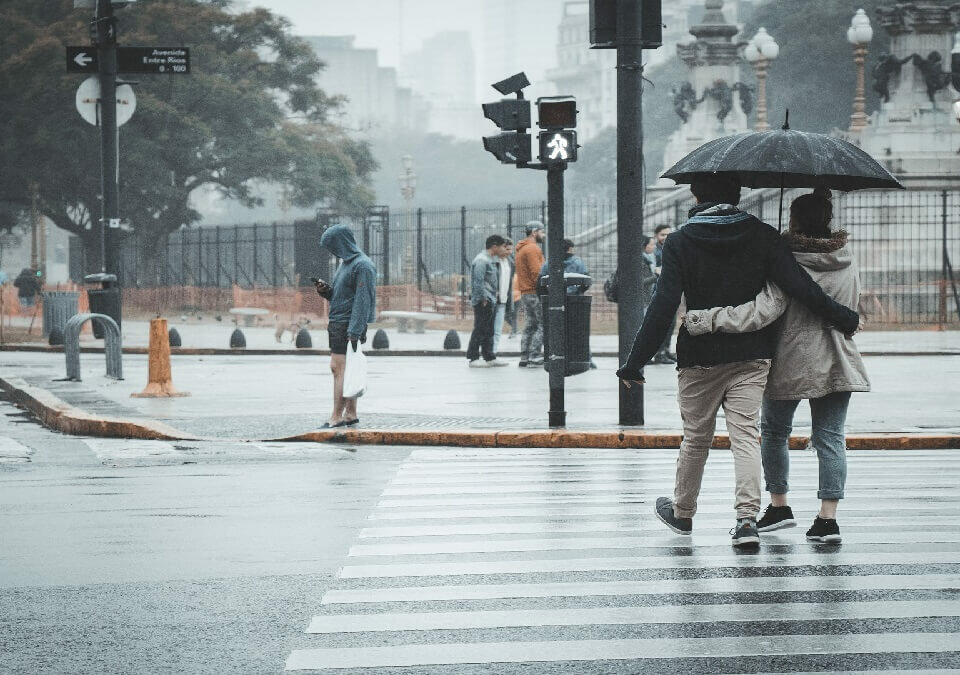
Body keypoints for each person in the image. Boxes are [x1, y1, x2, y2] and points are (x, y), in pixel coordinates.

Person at [616, 174, 860, 549]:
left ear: (695, 195)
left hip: (699, 355)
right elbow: (799, 287)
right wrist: (844, 317)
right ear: (738, 194)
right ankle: (746, 521)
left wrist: (635, 362)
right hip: (752, 354)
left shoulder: (680, 241)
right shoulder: (764, 236)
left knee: (696, 439)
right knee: (745, 437)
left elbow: (663, 304)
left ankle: (683, 514)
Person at [683, 192, 869, 544]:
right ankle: (828, 519)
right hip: (839, 358)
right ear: (828, 219)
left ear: (794, 221)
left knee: (773, 433)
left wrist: (709, 319)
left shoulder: (786, 259)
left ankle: (780, 505)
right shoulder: (846, 257)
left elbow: (766, 310)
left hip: (791, 357)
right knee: (831, 438)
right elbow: (852, 303)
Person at [314, 225, 376, 429]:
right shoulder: (346, 265)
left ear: (342, 243)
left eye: (333, 246)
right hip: (341, 322)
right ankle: (350, 414)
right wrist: (326, 292)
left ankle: (336, 416)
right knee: (346, 370)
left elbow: (362, 300)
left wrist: (354, 331)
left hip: (347, 325)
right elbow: (343, 296)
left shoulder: (362, 265)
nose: (332, 251)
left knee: (338, 369)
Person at [467, 234, 509, 368]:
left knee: (489, 330)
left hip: (490, 299)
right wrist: (483, 298)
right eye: (502, 246)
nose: (503, 249)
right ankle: (473, 357)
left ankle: (489, 356)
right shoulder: (482, 260)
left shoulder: (489, 259)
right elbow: (478, 281)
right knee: (480, 329)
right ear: (494, 246)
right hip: (484, 301)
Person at [515, 221, 546, 368]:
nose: (544, 235)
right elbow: (537, 273)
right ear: (534, 232)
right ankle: (535, 355)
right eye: (542, 232)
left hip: (526, 292)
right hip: (535, 292)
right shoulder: (533, 249)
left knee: (530, 324)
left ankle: (525, 356)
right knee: (544, 324)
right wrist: (544, 288)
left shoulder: (521, 249)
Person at [652, 224, 677, 364]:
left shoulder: (672, 248)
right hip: (659, 291)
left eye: (668, 234)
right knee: (662, 323)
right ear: (656, 235)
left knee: (671, 323)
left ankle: (666, 350)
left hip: (670, 289)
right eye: (663, 235)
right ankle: (660, 353)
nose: (666, 237)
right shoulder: (654, 250)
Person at [492, 237, 515, 354]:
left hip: (503, 300)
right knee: (489, 329)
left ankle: (493, 353)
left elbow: (509, 283)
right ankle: (487, 353)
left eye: (511, 249)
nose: (510, 252)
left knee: (497, 330)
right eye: (507, 249)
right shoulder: (493, 261)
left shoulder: (510, 263)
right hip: (492, 299)